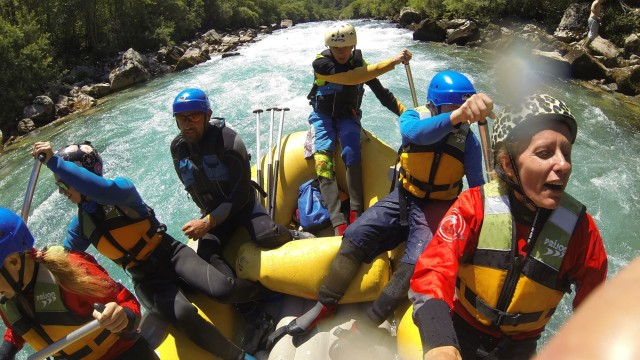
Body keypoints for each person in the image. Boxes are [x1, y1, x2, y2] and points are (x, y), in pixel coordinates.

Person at [268, 71, 494, 351]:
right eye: (452, 109)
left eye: (464, 110)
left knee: (413, 269)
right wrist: (456, 115)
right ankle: (324, 305)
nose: (462, 118)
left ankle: (367, 324)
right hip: (403, 198)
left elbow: (476, 186)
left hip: (436, 210)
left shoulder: (468, 141)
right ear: (434, 105)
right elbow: (415, 135)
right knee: (354, 235)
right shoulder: (414, 118)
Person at [409, 93, 608, 360]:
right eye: (545, 153)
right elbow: (434, 269)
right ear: (508, 166)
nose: (563, 165)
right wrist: (438, 342)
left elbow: (594, 307)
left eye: (566, 152)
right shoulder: (474, 206)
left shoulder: (580, 230)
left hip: (520, 349)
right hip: (461, 333)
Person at [32, 141, 261, 360]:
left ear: (82, 177)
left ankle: (259, 298)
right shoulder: (81, 223)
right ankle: (240, 357)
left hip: (171, 254)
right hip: (146, 279)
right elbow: (66, 256)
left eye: (63, 184)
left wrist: (55, 162)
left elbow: (101, 190)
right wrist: (33, 259)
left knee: (223, 289)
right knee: (183, 315)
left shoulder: (122, 191)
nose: (61, 192)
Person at [169, 87, 315, 352]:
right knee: (207, 253)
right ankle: (251, 311)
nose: (187, 123)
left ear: (207, 115)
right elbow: (192, 186)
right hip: (214, 213)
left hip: (241, 204)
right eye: (182, 118)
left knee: (265, 236)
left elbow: (239, 192)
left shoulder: (228, 140)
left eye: (194, 117)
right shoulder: (178, 149)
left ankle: (294, 235)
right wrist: (208, 217)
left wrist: (210, 221)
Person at [0, 207, 158, 360]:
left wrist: (123, 316)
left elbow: (127, 302)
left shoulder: (70, 273)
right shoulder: (7, 294)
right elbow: (23, 324)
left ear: (14, 262)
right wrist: (7, 351)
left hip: (123, 353)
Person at [307, 22, 412, 235]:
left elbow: (383, 95)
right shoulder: (321, 64)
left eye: (346, 47)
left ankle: (356, 210)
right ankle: (337, 220)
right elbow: (353, 78)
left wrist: (408, 114)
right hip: (324, 116)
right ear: (330, 48)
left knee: (351, 150)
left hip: (348, 116)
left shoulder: (359, 62)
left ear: (353, 46)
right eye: (337, 48)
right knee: (323, 159)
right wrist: (392, 61)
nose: (342, 52)